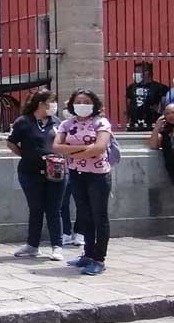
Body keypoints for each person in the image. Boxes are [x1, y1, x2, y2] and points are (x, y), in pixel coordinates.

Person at [53, 89, 113, 276]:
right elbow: (56, 146)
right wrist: (86, 148)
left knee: (99, 216)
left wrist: (72, 150)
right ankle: (87, 254)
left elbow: (100, 147)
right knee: (84, 214)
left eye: (86, 101)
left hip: (98, 175)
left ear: (94, 104)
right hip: (77, 173)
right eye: (78, 101)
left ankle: (99, 258)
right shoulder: (66, 124)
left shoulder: (101, 123)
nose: (82, 104)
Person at [7, 89, 65, 262]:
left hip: (55, 172)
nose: (53, 106)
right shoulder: (24, 122)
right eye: (51, 102)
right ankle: (33, 245)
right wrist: (27, 154)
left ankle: (57, 245)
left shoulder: (56, 122)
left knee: (54, 209)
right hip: (30, 172)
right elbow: (11, 143)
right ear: (41, 104)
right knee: (36, 208)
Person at [126, 62, 168, 131]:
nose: (136, 74)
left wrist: (157, 108)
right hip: (135, 124)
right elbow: (128, 105)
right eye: (135, 72)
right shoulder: (131, 87)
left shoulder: (160, 87)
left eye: (138, 72)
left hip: (153, 123)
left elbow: (164, 106)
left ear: (147, 72)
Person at [149, 103, 174, 183]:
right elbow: (153, 145)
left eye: (173, 112)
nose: (170, 116)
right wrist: (157, 127)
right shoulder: (164, 132)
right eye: (167, 113)